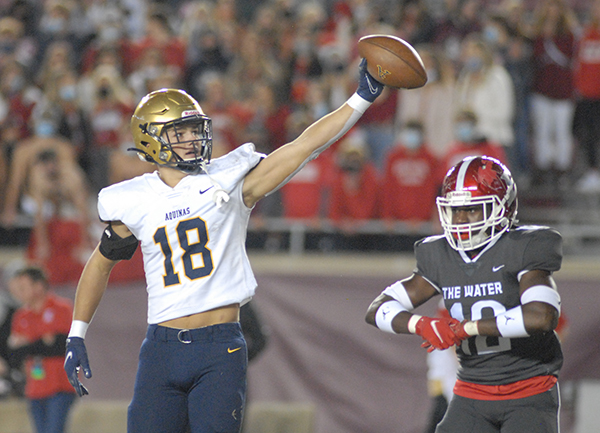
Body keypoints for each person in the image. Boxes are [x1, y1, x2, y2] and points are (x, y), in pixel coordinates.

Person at [63, 59, 385, 433]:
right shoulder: (134, 199)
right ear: (149, 138)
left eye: (192, 130)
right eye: (178, 133)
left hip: (219, 346)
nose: (191, 140)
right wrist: (77, 331)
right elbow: (100, 263)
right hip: (161, 347)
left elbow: (303, 147)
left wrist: (360, 99)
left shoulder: (229, 181)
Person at [366, 155, 564, 433]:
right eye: (454, 210)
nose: (460, 220)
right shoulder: (440, 255)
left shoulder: (524, 246)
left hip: (528, 389)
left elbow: (541, 316)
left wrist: (466, 328)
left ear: (502, 208)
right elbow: (377, 309)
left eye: (471, 209)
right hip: (472, 390)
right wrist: (421, 324)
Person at [8, 266, 76, 433]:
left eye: (23, 287)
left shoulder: (62, 308)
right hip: (35, 387)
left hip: (60, 386)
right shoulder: (21, 316)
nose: (19, 292)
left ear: (38, 286)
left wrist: (28, 345)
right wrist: (42, 342)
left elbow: (61, 345)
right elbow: (14, 353)